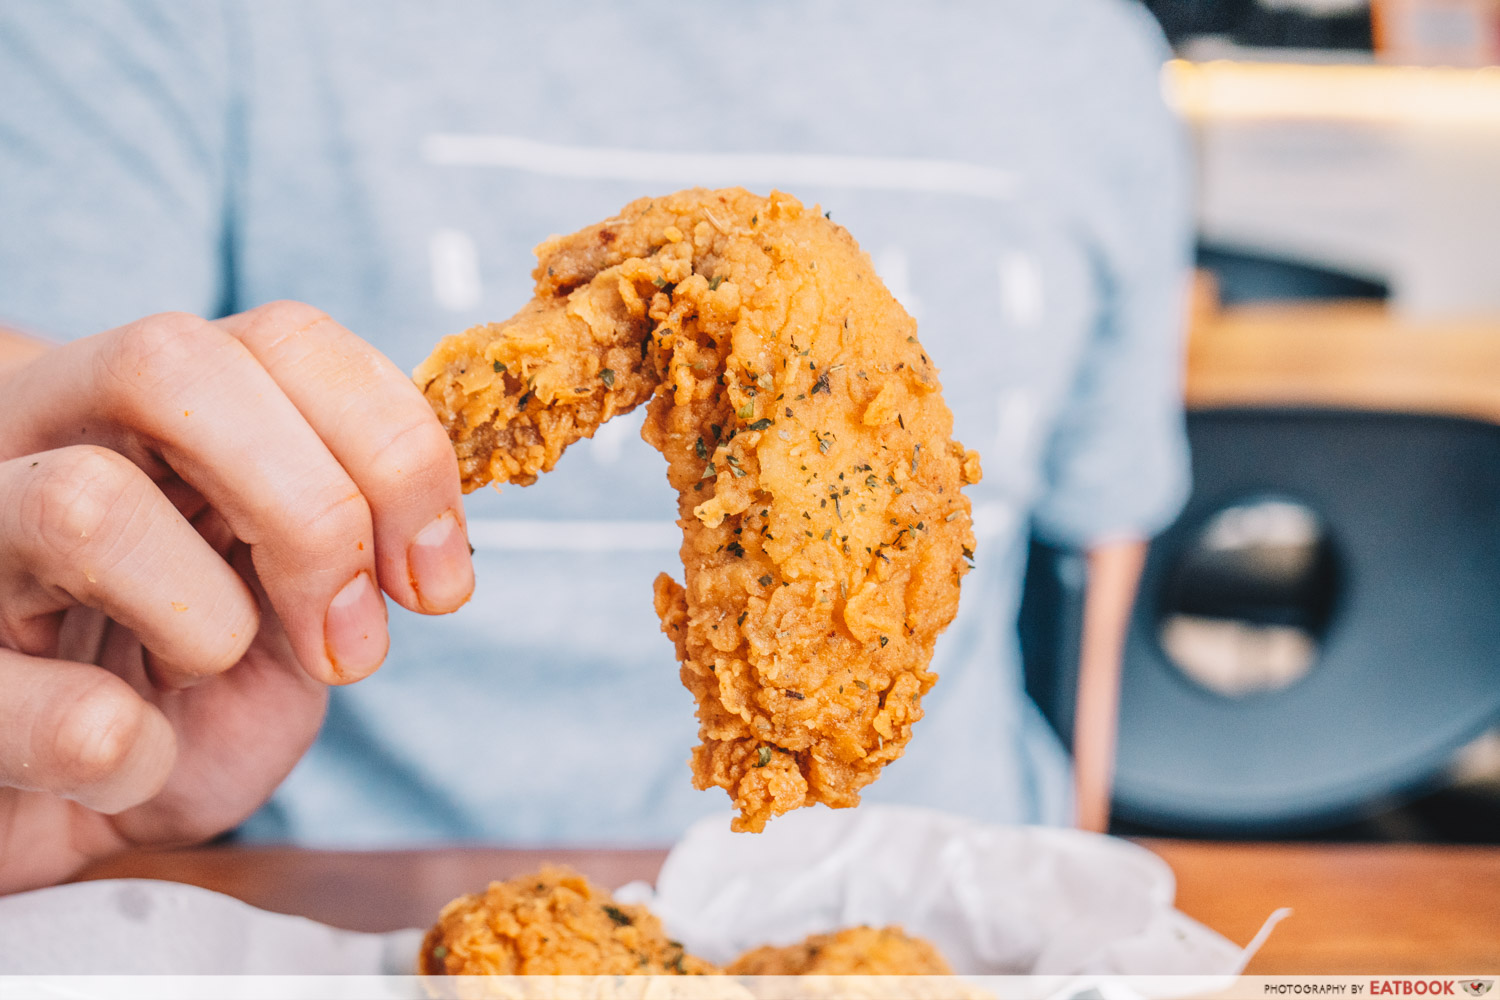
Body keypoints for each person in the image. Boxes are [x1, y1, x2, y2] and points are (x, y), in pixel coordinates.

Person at [0, 0, 1191, 892]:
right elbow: (52, 452)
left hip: (947, 900)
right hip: (344, 908)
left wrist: (1079, 910)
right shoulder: (162, 23)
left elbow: (1099, 569)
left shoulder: (1089, 53)